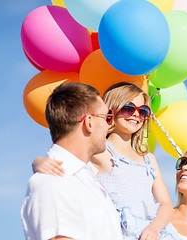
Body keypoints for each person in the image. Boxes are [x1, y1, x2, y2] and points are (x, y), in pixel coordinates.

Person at [32, 82, 178, 240]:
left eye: (143, 111)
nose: (136, 114)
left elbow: (165, 203)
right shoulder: (101, 151)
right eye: (129, 108)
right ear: (112, 110)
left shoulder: (148, 158)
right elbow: (68, 158)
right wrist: (38, 162)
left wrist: (154, 228)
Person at [21, 82, 123, 240]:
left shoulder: (86, 179)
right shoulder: (54, 183)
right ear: (89, 122)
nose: (110, 125)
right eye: (107, 117)